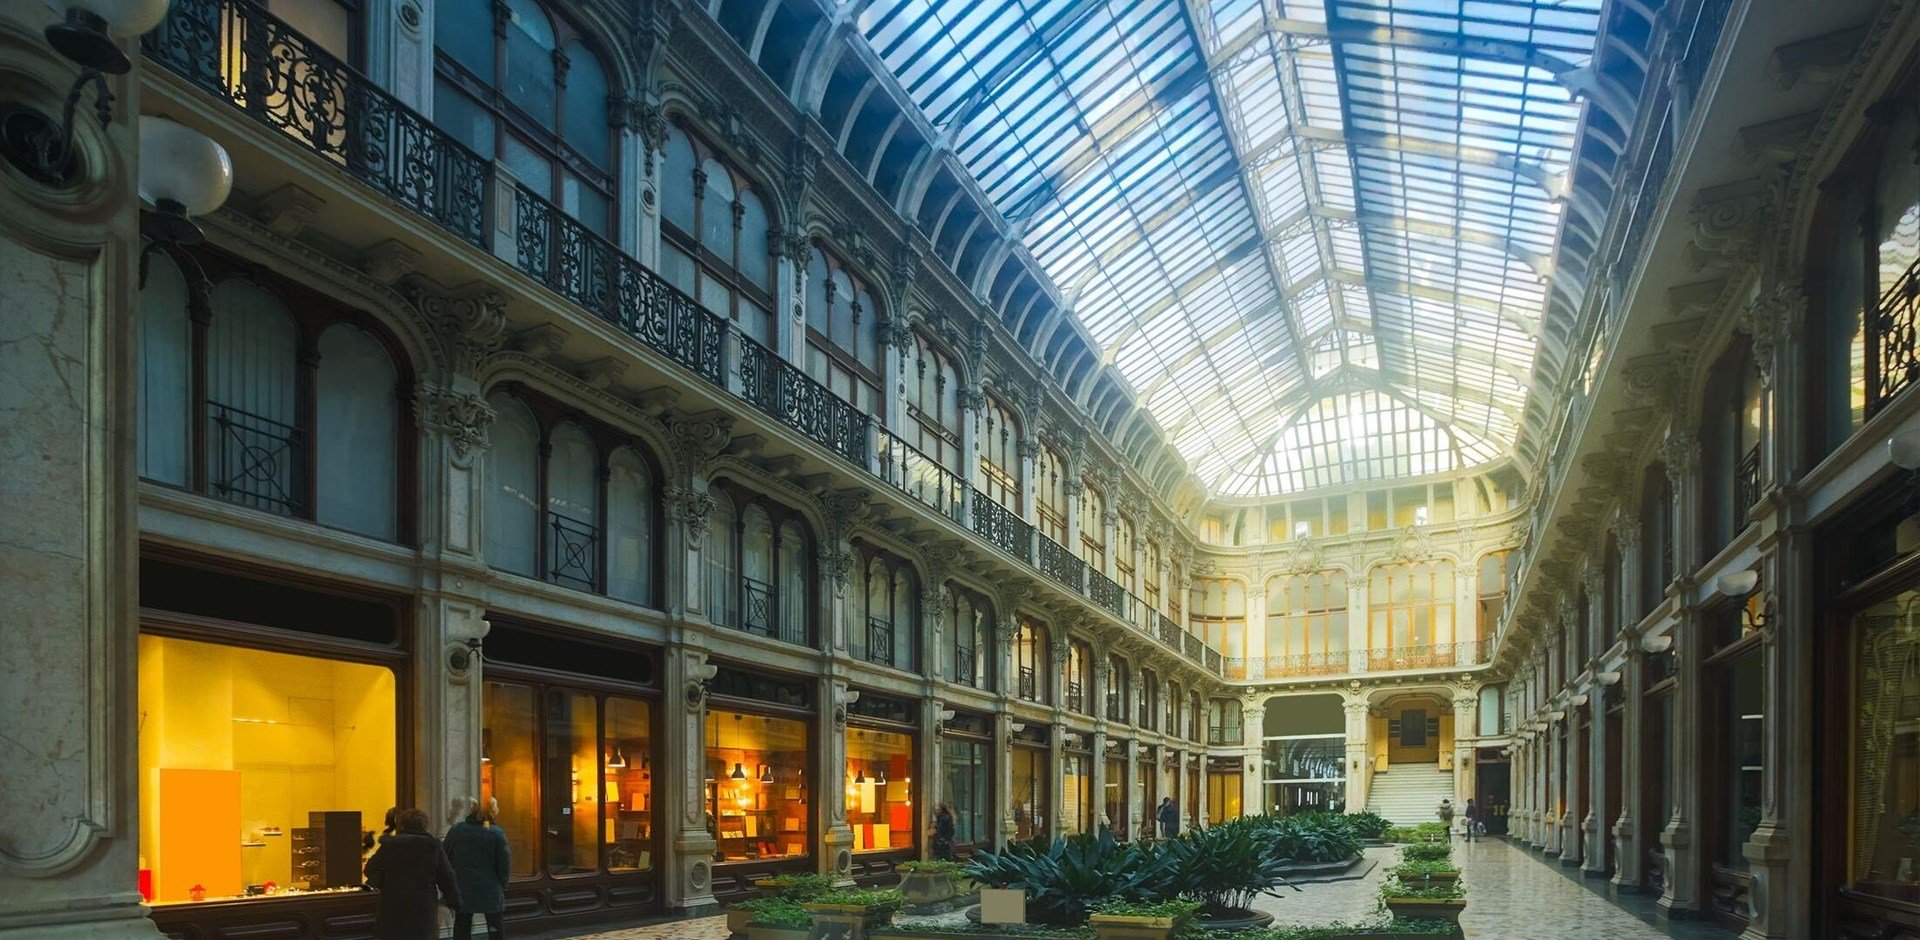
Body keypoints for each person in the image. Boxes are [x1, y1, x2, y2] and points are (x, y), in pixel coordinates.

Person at [364, 808, 461, 940]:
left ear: (402, 825)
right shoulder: (432, 847)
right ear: (424, 825)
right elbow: (447, 878)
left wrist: (385, 878)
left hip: (392, 904)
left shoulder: (390, 846)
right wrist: (454, 903)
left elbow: (369, 869)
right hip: (422, 905)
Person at [443, 797, 510, 939]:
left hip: (462, 886)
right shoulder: (496, 833)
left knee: (462, 924)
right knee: (495, 926)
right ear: (493, 811)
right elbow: (504, 864)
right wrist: (503, 885)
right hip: (490, 888)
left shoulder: (457, 830)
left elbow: (444, 856)